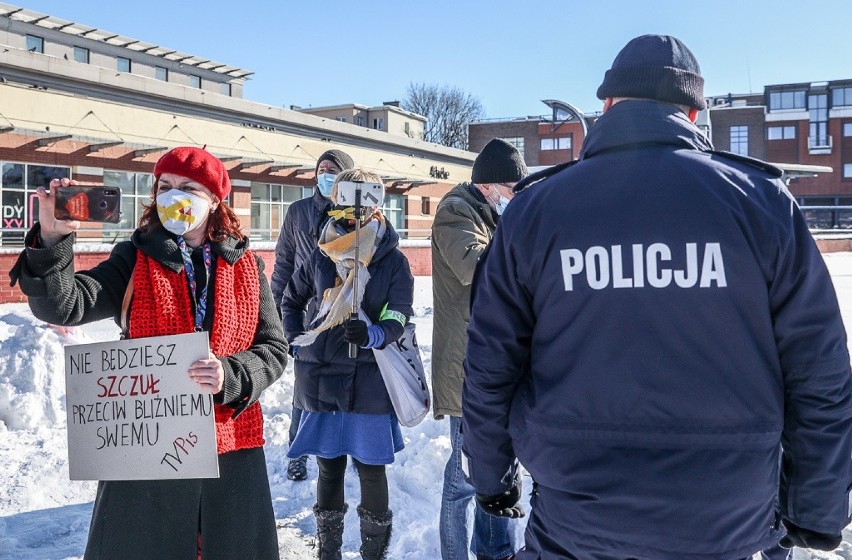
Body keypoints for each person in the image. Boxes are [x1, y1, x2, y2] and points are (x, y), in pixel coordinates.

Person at [461, 34, 852, 560]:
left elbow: (490, 365)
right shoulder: (760, 204)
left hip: (578, 518)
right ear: (694, 114)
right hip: (729, 518)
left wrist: (491, 476)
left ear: (607, 106)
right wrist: (817, 505)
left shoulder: (535, 213)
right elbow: (819, 370)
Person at [9, 146, 288, 560]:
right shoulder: (136, 257)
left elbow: (273, 349)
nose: (174, 196)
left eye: (188, 187)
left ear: (214, 199)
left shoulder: (246, 266)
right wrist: (53, 238)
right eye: (165, 186)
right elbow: (64, 305)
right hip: (151, 449)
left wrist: (230, 375)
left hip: (228, 451)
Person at [281, 167, 414, 560]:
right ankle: (329, 551)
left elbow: (401, 313)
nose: (354, 213)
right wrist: (295, 339)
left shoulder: (392, 261)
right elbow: (289, 301)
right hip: (322, 378)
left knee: (372, 470)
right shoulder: (320, 257)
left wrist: (376, 334)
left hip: (370, 382)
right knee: (329, 469)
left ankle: (374, 552)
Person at [431, 137, 527, 560]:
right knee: (464, 478)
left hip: (492, 362)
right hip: (465, 367)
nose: (515, 199)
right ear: (488, 186)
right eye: (511, 189)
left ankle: (495, 552)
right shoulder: (456, 211)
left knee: (495, 470)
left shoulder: (492, 213)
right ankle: (455, 552)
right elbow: (479, 266)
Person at [271, 148, 355, 482]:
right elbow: (284, 264)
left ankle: (336, 449)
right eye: (321, 169)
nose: (325, 175)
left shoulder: (354, 213)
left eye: (333, 170)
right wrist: (275, 312)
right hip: (306, 315)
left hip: (345, 313)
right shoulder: (298, 212)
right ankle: (298, 451)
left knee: (341, 383)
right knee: (304, 386)